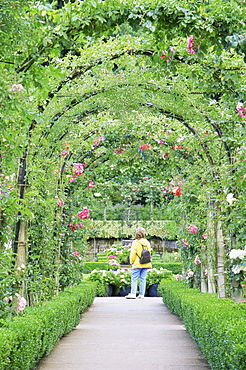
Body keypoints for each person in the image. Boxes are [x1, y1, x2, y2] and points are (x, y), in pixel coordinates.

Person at [125, 227, 152, 299]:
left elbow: (133, 253)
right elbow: (149, 252)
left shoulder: (135, 242)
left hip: (137, 263)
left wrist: (131, 262)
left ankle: (133, 293)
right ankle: (142, 294)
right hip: (146, 263)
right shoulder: (147, 242)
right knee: (143, 279)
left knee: (134, 278)